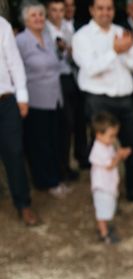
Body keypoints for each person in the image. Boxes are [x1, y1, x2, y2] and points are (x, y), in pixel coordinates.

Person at [73, 0, 133, 205]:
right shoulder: (81, 36)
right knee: (101, 150)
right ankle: (103, 197)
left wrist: (127, 52)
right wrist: (115, 51)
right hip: (98, 100)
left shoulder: (121, 31)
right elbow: (90, 68)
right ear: (92, 9)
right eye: (100, 8)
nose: (105, 12)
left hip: (126, 100)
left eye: (109, 8)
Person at [17, 0, 69, 198]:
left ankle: (54, 178)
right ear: (25, 20)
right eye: (33, 15)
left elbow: (57, 62)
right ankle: (46, 182)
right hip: (35, 100)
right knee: (40, 144)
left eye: (40, 14)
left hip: (55, 99)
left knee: (54, 140)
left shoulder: (48, 36)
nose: (38, 18)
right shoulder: (21, 41)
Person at [0, 14, 40, 226]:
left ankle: (23, 204)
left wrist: (22, 97)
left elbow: (14, 63)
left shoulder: (2, 25)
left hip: (5, 101)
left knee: (14, 152)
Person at [46, 0, 81, 180]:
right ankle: (60, 167)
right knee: (61, 125)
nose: (58, 13)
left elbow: (74, 56)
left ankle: (66, 165)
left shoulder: (67, 29)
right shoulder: (44, 30)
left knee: (69, 125)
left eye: (61, 10)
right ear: (48, 11)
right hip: (53, 81)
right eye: (54, 10)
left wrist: (68, 50)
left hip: (70, 78)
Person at [89, 112, 130, 243]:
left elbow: (113, 158)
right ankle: (104, 233)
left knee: (107, 208)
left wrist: (120, 154)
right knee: (102, 211)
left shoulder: (106, 145)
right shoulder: (97, 149)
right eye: (111, 136)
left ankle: (104, 226)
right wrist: (119, 155)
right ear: (99, 135)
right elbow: (109, 165)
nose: (113, 139)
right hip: (102, 187)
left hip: (108, 185)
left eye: (115, 136)